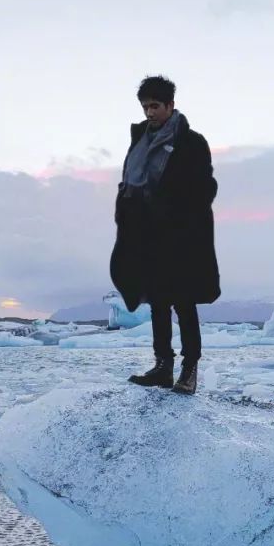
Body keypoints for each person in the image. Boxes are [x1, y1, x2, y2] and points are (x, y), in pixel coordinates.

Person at [110, 75, 220, 395]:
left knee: (183, 302)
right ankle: (163, 366)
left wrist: (174, 206)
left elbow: (205, 187)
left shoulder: (191, 142)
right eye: (145, 107)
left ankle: (190, 368)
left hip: (182, 236)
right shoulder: (140, 141)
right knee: (158, 301)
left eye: (155, 106)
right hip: (148, 234)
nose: (149, 113)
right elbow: (130, 183)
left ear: (171, 105)